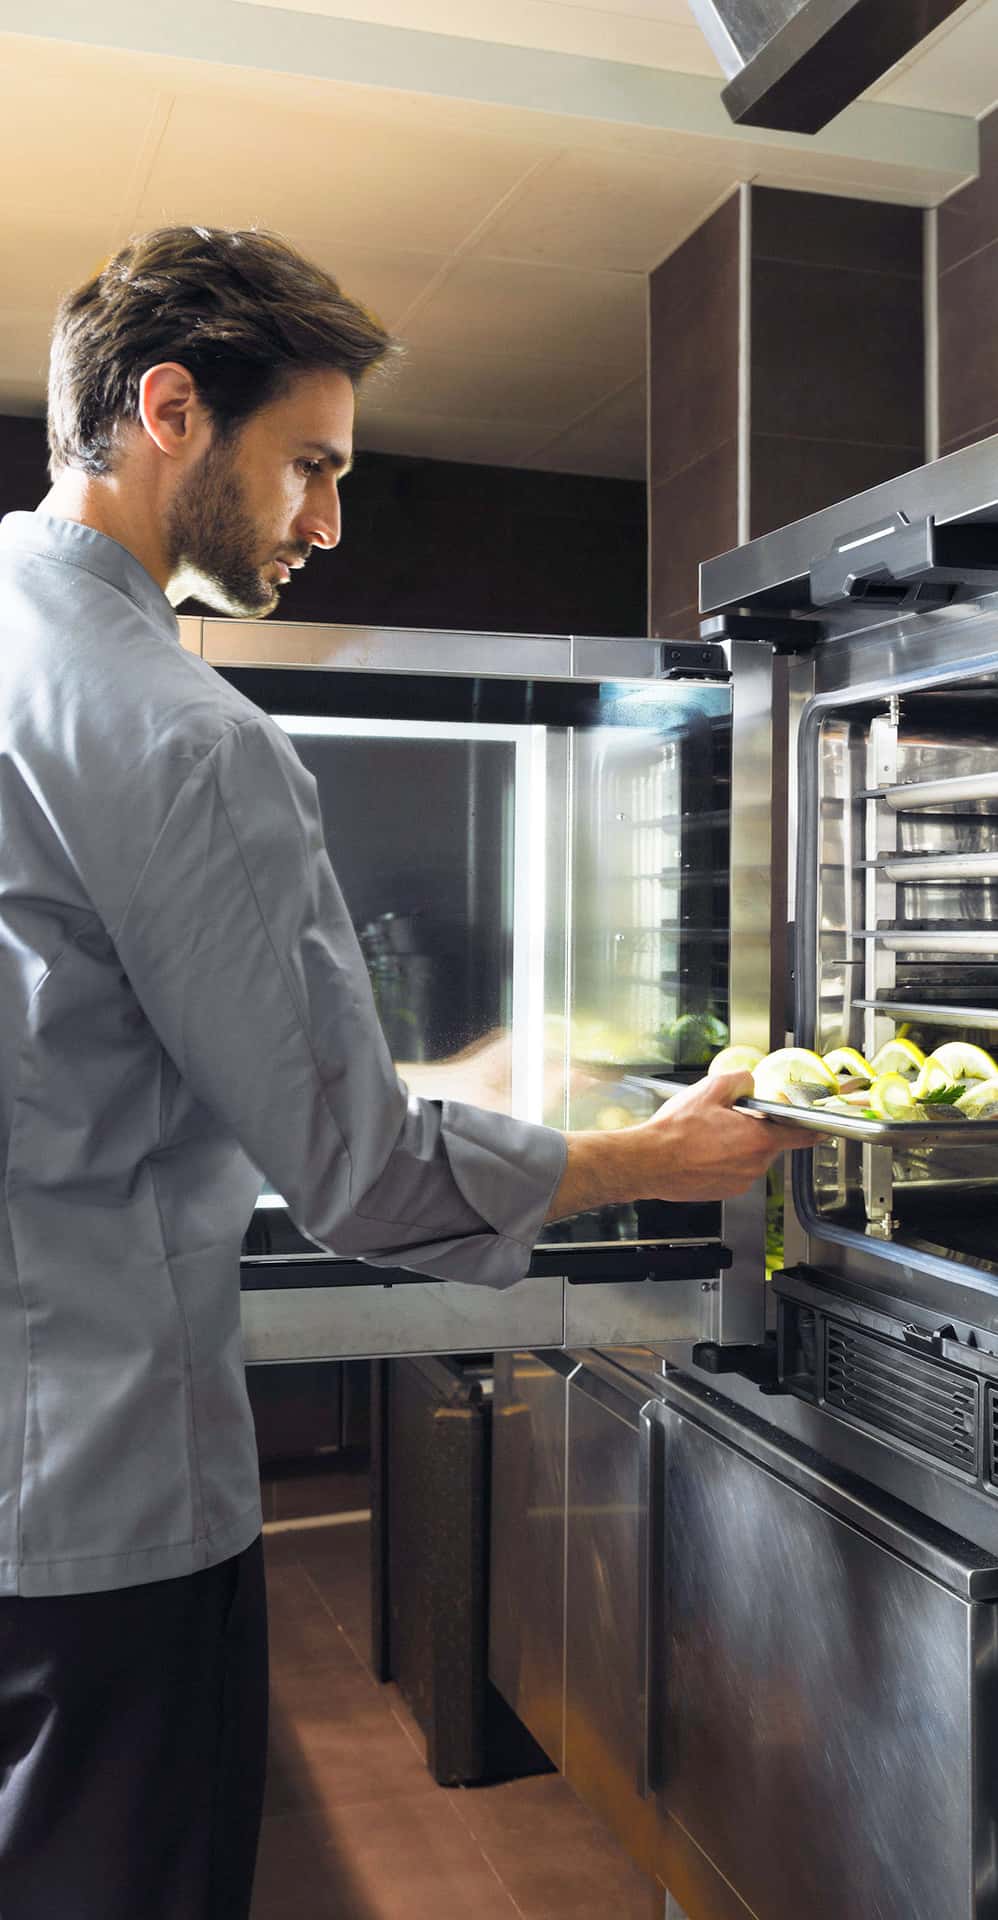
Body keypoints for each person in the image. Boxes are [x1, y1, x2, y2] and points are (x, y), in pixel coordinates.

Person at [0, 225, 815, 1918]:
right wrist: (644, 1159)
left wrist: (426, 1074)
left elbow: (88, 1048)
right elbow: (360, 1178)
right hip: (90, 1492)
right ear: (169, 409)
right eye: (309, 465)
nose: (324, 522)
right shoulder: (182, 730)